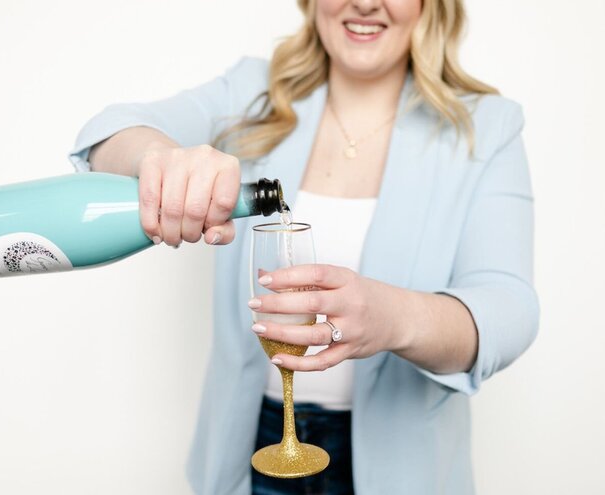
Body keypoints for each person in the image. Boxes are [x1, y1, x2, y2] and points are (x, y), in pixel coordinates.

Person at [69, 0, 539, 493]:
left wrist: (394, 316)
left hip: (401, 470)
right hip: (249, 451)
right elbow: (105, 134)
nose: (364, 3)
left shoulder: (487, 126)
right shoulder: (253, 92)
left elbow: (511, 309)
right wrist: (160, 158)